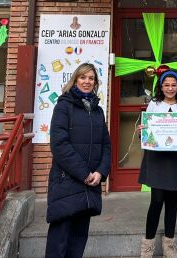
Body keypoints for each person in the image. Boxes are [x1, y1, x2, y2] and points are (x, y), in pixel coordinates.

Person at [45, 63, 111, 258]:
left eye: (91, 78)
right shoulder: (63, 106)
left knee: (78, 241)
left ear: (96, 83)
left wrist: (100, 172)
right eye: (83, 77)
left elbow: (106, 146)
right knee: (59, 243)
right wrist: (84, 173)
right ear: (75, 80)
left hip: (90, 186)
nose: (87, 82)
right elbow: (59, 145)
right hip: (67, 183)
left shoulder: (98, 111)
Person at [138, 70, 177, 258]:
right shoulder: (154, 104)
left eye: (173, 85)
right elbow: (147, 131)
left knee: (172, 201)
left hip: (175, 158)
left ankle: (169, 245)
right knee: (156, 201)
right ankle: (147, 246)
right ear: (160, 87)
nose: (170, 88)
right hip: (156, 157)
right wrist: (142, 131)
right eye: (166, 85)